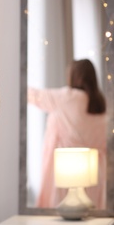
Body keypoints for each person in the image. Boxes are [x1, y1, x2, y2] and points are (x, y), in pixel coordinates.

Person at [28, 59, 107, 209]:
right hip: (95, 175)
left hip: (67, 172)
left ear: (75, 76)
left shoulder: (67, 97)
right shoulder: (100, 104)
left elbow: (32, 95)